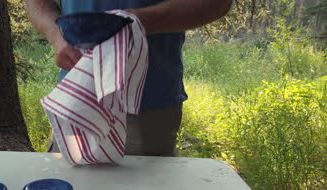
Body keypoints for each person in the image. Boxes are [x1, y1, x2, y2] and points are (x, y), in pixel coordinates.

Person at [25, 0, 233, 156]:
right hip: (76, 96)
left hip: (148, 104)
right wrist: (56, 35)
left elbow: (216, 3)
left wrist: (137, 20)